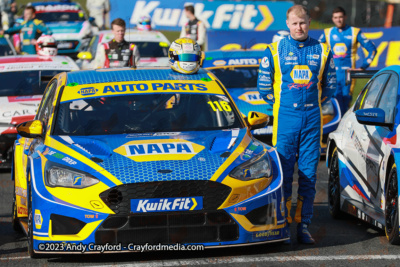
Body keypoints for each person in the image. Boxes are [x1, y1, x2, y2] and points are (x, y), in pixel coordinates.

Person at [257, 5, 336, 244]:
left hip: (313, 122)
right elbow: (264, 87)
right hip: (285, 122)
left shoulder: (323, 50)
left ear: (309, 22)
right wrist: (283, 104)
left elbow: (329, 86)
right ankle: (282, 225)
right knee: (284, 175)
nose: (298, 27)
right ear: (287, 24)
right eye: (294, 23)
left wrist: (311, 104)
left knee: (309, 175)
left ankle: (303, 225)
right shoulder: (273, 50)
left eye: (302, 22)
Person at [319, 6, 376, 116]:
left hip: (348, 75)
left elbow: (372, 49)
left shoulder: (355, 32)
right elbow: (316, 50)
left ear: (345, 17)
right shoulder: (327, 33)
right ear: (332, 19)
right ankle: (333, 128)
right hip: (332, 74)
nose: (338, 20)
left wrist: (363, 66)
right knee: (333, 102)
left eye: (340, 17)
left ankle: (343, 128)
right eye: (336, 17)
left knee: (345, 103)